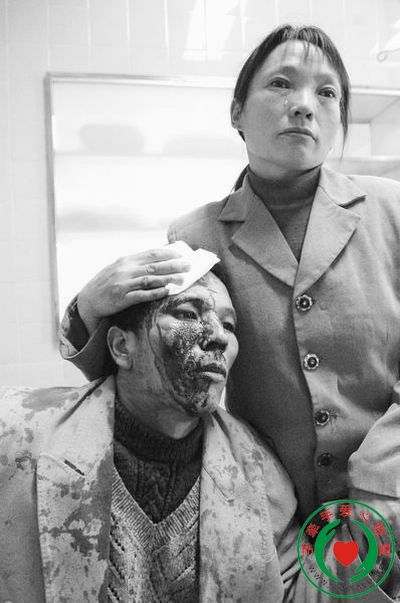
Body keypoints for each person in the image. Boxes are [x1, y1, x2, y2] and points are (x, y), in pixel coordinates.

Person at [60, 24, 400, 522]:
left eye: (327, 93)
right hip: (267, 514)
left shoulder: (390, 210)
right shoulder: (197, 235)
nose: (305, 105)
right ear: (237, 111)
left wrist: (381, 484)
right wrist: (90, 306)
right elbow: (155, 378)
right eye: (281, 83)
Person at [0, 269, 316, 602]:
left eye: (228, 325)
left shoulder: (261, 474)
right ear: (122, 346)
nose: (218, 337)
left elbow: (297, 589)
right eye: (188, 314)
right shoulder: (16, 434)